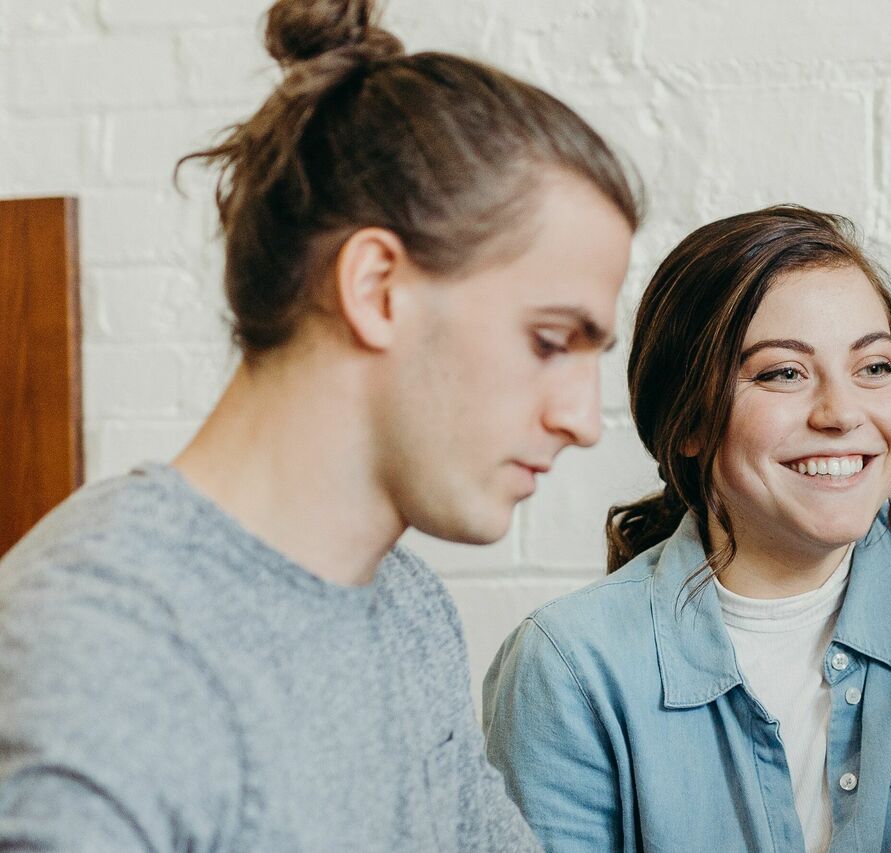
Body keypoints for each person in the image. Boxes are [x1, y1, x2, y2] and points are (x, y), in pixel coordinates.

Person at [0, 0, 640, 849]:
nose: (583, 420)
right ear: (376, 288)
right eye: (550, 341)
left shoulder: (410, 608)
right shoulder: (100, 653)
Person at [482, 205, 891, 853]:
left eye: (874, 366)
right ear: (690, 423)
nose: (842, 412)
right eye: (783, 372)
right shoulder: (564, 668)